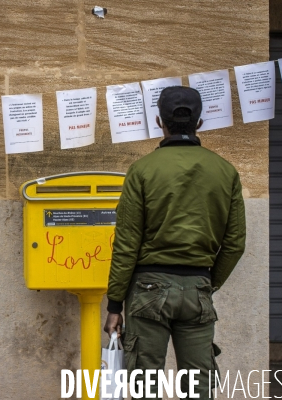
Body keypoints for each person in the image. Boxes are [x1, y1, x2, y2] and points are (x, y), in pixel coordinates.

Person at [104, 86, 246, 398]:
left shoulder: (141, 171)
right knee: (198, 388)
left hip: (147, 291)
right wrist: (207, 283)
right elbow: (235, 244)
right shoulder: (226, 172)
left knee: (145, 387)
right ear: (199, 123)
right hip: (197, 288)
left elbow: (126, 244)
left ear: (159, 121)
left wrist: (115, 303)